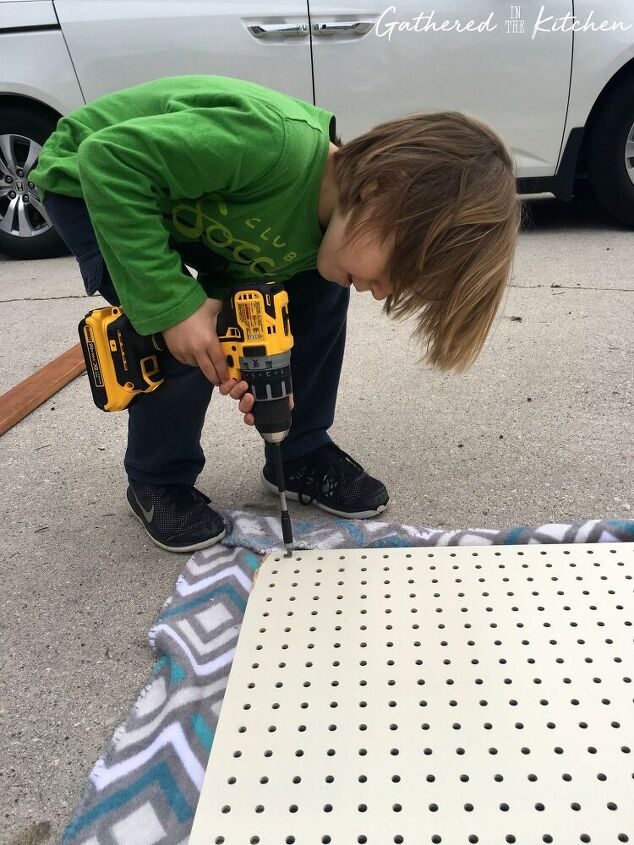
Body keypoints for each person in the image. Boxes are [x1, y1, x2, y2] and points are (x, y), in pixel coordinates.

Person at [30, 74, 522, 553]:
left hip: (189, 210)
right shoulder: (268, 146)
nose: (383, 293)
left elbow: (246, 280)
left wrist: (264, 367)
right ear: (379, 189)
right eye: (398, 269)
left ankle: (300, 449)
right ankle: (157, 479)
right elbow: (109, 160)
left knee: (314, 292)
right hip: (95, 187)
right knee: (177, 333)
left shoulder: (331, 227)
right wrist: (174, 307)